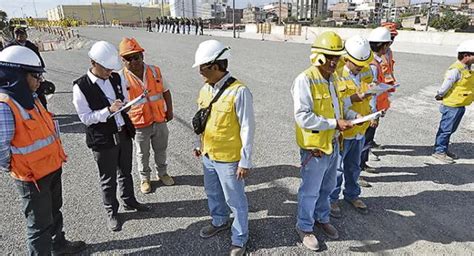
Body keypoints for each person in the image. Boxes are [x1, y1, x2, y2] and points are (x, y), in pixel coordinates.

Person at [0, 45, 86, 255]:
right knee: (38, 226)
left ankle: (59, 245)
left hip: (51, 167)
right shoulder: (5, 105)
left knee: (54, 213)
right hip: (32, 178)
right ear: (16, 74)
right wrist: (17, 167)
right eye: (35, 75)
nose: (40, 80)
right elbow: (1, 149)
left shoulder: (31, 97)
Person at [72, 41, 148, 232]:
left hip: (123, 132)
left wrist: (128, 104)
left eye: (111, 68)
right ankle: (111, 211)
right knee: (108, 178)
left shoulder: (115, 77)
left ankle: (129, 201)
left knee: (126, 171)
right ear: (93, 62)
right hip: (102, 138)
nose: (109, 72)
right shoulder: (81, 86)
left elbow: (124, 100)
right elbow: (85, 118)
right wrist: (107, 111)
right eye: (105, 68)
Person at [291, 31, 355, 251]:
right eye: (329, 56)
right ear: (317, 55)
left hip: (334, 143)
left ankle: (321, 217)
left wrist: (352, 116)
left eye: (337, 57)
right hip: (315, 148)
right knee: (310, 190)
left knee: (328, 187)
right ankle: (305, 227)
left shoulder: (334, 78)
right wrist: (335, 123)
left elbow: (341, 105)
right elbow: (303, 116)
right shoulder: (305, 79)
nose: (333, 61)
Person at [192, 40, 255, 256]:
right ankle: (219, 221)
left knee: (235, 200)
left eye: (203, 67)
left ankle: (240, 238)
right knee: (213, 193)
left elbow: (247, 127)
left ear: (216, 66)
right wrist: (197, 145)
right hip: (208, 154)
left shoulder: (239, 92)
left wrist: (245, 161)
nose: (200, 72)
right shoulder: (205, 89)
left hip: (229, 159)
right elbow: (200, 119)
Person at [118, 37, 175, 194]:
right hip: (139, 123)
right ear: (123, 60)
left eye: (136, 56)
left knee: (161, 149)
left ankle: (162, 173)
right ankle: (145, 178)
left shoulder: (155, 71)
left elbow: (165, 91)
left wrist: (169, 111)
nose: (134, 61)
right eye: (129, 58)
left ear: (142, 56)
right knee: (142, 153)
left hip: (159, 118)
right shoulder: (120, 78)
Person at [329, 35, 375, 218]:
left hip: (360, 130)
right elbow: (338, 105)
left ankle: (352, 195)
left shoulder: (365, 71)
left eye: (363, 63)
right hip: (345, 131)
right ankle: (332, 200)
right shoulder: (336, 76)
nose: (361, 67)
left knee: (354, 166)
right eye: (357, 63)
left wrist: (373, 112)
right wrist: (356, 114)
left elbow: (370, 93)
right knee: (337, 169)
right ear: (346, 58)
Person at [433, 40, 474, 163]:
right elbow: (446, 85)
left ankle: (443, 148)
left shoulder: (467, 68)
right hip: (452, 105)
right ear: (466, 55)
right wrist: (440, 95)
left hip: (460, 104)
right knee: (446, 129)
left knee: (451, 129)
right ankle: (439, 151)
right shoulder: (456, 69)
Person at [360, 27, 392, 173]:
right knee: (364, 140)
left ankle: (362, 164)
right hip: (371, 110)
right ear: (384, 45)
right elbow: (371, 91)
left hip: (375, 107)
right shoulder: (373, 65)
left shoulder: (374, 61)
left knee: (367, 139)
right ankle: (358, 170)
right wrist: (374, 114)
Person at [5, 27, 55, 110]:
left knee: (39, 92)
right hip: (16, 74)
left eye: (22, 34)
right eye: (17, 34)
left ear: (26, 35)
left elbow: (38, 59)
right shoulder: (10, 47)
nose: (19, 36)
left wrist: (40, 72)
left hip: (32, 73)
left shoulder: (31, 46)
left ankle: (44, 111)